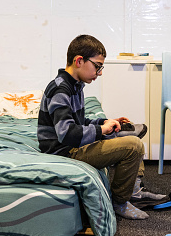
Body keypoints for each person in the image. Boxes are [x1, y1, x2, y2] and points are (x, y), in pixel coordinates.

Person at [38, 34, 164, 219]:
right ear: (79, 61)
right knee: (133, 146)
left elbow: (78, 122)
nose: (100, 72)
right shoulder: (60, 89)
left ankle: (134, 192)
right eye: (97, 66)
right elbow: (66, 133)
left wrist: (103, 123)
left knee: (130, 136)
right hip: (64, 152)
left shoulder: (75, 86)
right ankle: (120, 203)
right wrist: (101, 131)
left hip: (72, 146)